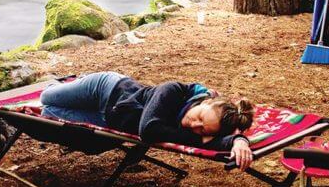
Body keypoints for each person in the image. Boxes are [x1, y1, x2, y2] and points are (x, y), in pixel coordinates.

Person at [39, 72, 255, 170]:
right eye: (198, 117)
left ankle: (71, 89)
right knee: (45, 97)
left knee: (47, 112)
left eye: (201, 129)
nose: (194, 126)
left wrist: (238, 141)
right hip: (105, 89)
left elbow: (214, 141)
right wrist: (198, 138)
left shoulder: (207, 126)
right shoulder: (171, 91)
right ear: (205, 101)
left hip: (107, 119)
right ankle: (73, 81)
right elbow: (148, 131)